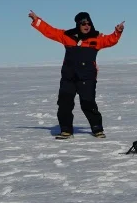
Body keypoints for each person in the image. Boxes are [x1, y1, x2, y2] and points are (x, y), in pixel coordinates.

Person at [29, 10, 125, 139]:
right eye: (83, 24)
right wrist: (37, 20)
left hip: (87, 78)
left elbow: (110, 40)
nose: (86, 26)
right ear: (78, 25)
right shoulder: (68, 36)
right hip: (69, 77)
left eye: (88, 24)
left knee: (88, 103)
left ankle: (97, 129)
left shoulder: (97, 38)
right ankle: (66, 130)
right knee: (64, 104)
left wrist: (117, 32)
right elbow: (50, 31)